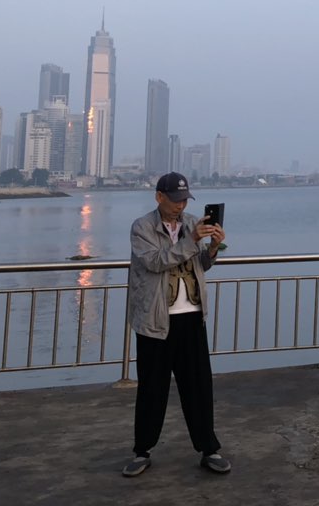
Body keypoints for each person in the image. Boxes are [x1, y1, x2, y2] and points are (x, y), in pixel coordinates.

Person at [122, 172, 231, 477]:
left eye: (184, 200)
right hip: (155, 320)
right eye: (175, 200)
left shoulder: (192, 222)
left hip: (192, 315)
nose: (180, 206)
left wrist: (212, 248)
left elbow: (201, 265)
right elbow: (156, 261)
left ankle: (209, 449)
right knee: (152, 389)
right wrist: (192, 239)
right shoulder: (142, 227)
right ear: (159, 197)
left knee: (199, 387)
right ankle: (142, 451)